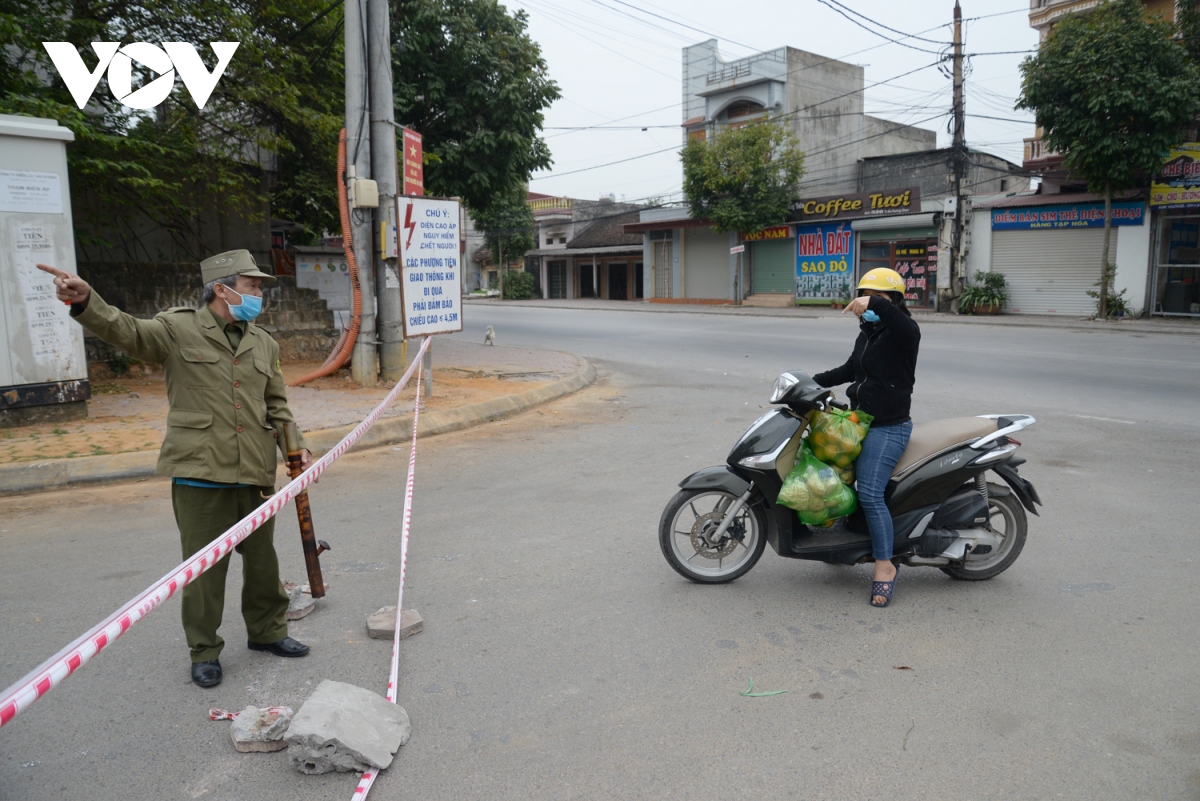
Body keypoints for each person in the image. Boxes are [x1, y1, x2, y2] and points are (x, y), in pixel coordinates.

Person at [37, 250, 314, 687]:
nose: (260, 293)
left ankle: (268, 632)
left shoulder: (263, 342)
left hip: (255, 469)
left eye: (260, 286)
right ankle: (204, 650)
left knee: (263, 562)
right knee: (205, 570)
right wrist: (87, 301)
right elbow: (127, 331)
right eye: (252, 285)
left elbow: (276, 404)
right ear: (222, 289)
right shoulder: (177, 328)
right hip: (201, 470)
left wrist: (295, 449)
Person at [813, 268, 921, 608]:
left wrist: (874, 301)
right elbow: (850, 369)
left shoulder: (905, 332)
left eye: (879, 298)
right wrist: (807, 382)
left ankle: (886, 566)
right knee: (836, 478)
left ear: (895, 301)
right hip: (859, 420)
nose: (869, 304)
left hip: (888, 426)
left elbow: (897, 319)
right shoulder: (870, 332)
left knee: (871, 494)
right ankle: (843, 541)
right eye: (866, 296)